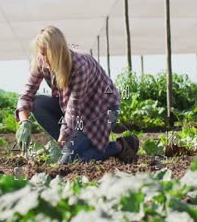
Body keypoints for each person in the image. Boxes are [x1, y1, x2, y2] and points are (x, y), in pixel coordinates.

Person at [15, 26, 139, 164]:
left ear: (57, 52)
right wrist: (24, 122)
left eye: (47, 54)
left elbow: (73, 108)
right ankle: (76, 146)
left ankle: (119, 146)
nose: (43, 59)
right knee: (38, 103)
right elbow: (27, 94)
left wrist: (63, 139)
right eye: (41, 53)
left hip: (100, 111)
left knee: (69, 161)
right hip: (73, 112)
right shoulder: (41, 61)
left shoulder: (79, 66)